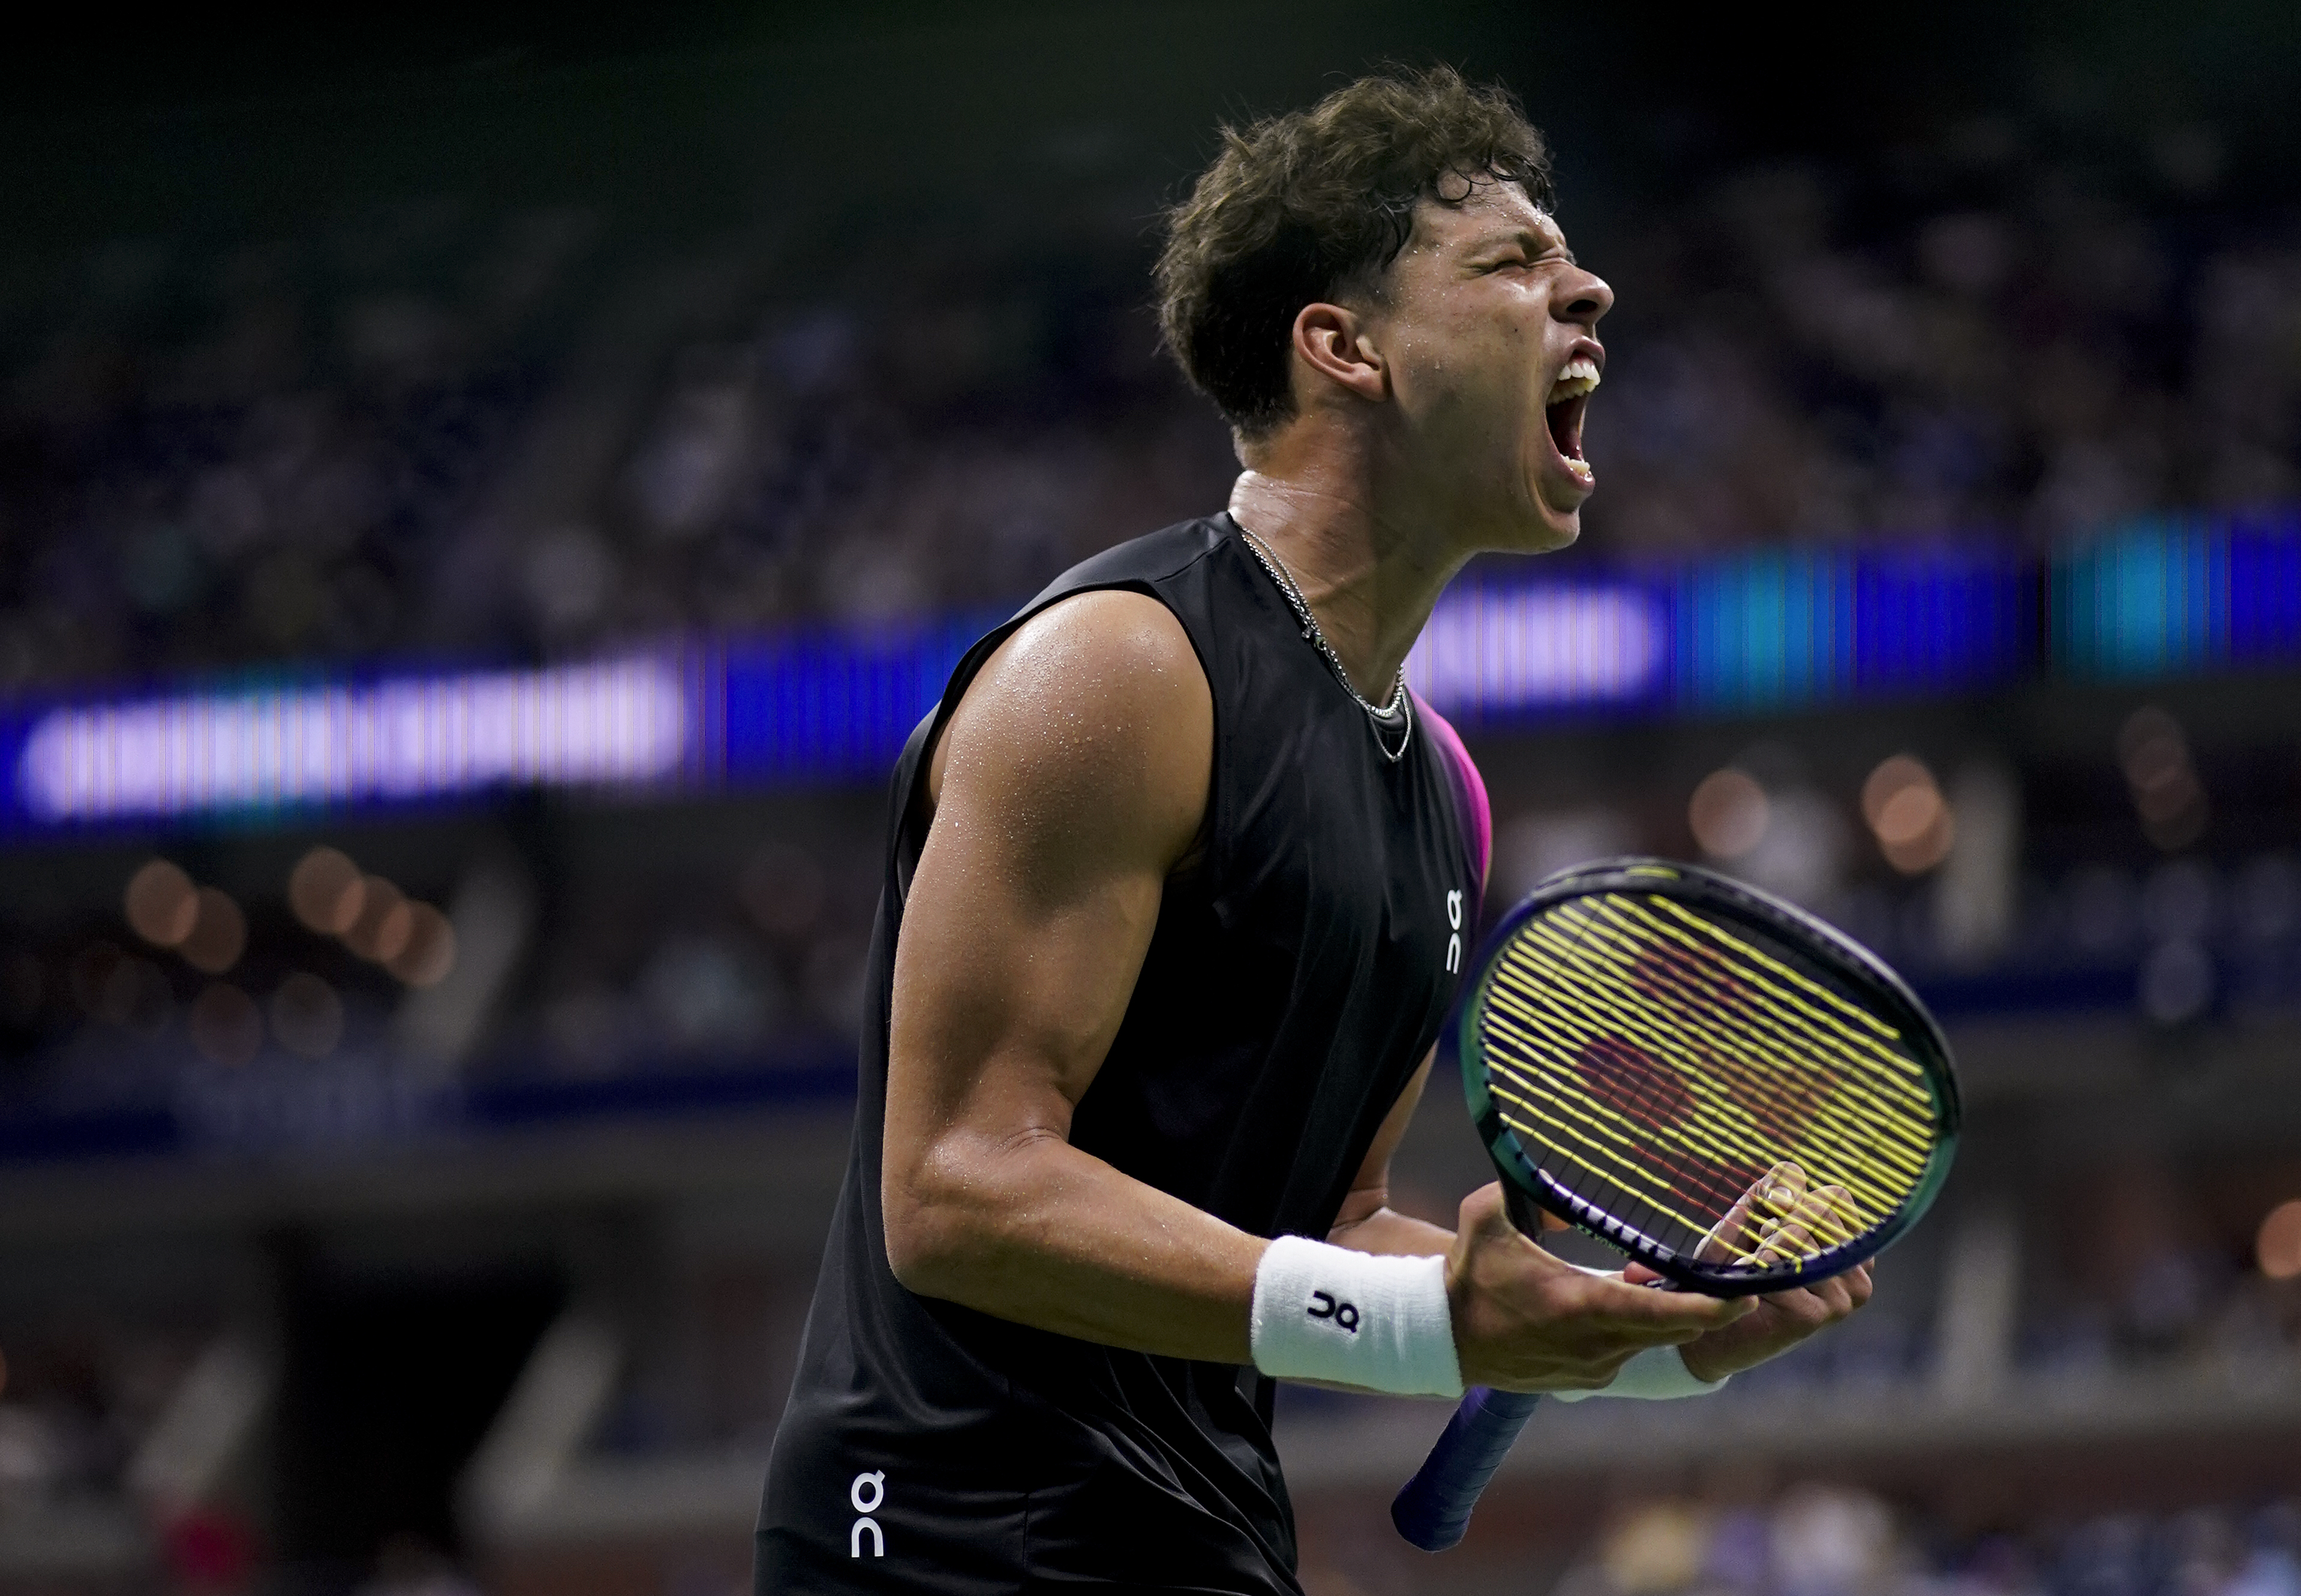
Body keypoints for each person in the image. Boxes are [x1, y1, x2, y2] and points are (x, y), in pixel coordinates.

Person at [755, 65, 1874, 1594]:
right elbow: (953, 1186)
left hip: (1203, 1538)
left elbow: (1331, 1225)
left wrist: (1648, 1339)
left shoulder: (1446, 793)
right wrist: (1430, 1328)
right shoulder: (1119, 671)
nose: (1588, 287)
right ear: (1342, 347)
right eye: (1509, 263)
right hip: (944, 1536)